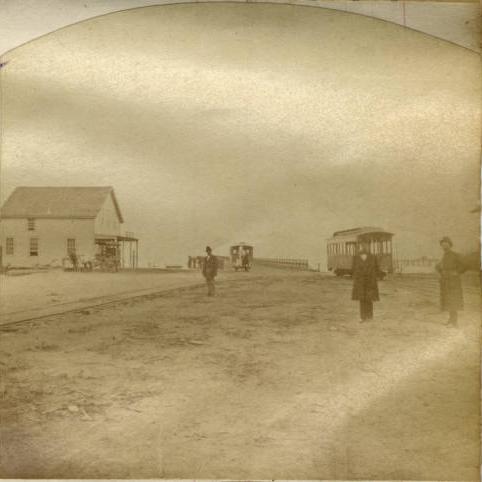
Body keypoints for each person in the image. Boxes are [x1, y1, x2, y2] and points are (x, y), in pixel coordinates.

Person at [436, 236, 466, 327]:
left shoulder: (455, 255)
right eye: (442, 244)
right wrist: (440, 272)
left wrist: (456, 273)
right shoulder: (444, 256)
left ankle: (455, 322)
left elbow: (463, 266)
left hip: (454, 282)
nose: (444, 246)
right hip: (446, 281)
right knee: (448, 301)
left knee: (454, 300)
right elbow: (438, 267)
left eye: (446, 244)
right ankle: (450, 319)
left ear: (450, 244)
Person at [352, 243, 381, 322]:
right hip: (361, 282)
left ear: (368, 247)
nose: (364, 248)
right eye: (363, 246)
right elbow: (354, 270)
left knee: (369, 299)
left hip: (370, 282)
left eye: (366, 246)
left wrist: (374, 278)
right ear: (361, 247)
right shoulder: (356, 257)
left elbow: (377, 269)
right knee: (362, 300)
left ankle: (369, 316)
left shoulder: (372, 257)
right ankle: (363, 317)